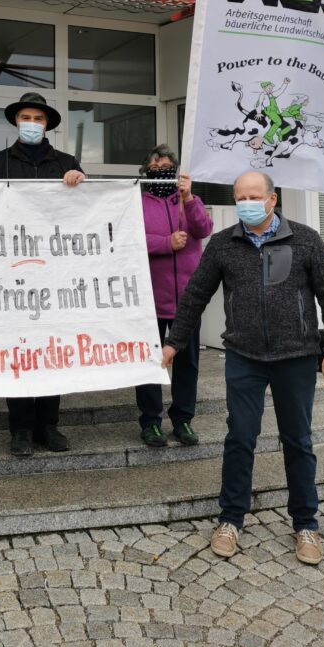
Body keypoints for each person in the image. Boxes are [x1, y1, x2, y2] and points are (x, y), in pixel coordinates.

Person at [162, 170, 324, 566]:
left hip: (295, 357)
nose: (245, 202)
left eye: (253, 195)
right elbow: (195, 296)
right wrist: (174, 342)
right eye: (239, 196)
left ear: (272, 199)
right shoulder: (222, 245)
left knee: (297, 440)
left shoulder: (305, 240)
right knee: (240, 438)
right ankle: (230, 519)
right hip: (244, 357)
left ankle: (306, 524)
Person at [0, 91, 85, 458]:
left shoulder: (65, 162)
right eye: (26, 118)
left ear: (48, 125)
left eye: (39, 119)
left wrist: (82, 178)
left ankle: (49, 425)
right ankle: (20, 429)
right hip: (11, 277)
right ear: (17, 122)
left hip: (54, 276)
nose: (32, 124)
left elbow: (88, 210)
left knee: (52, 350)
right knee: (18, 351)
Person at [135, 145, 213, 447]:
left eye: (166, 166)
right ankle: (150, 421)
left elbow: (203, 228)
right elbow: (128, 238)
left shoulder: (187, 199)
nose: (160, 171)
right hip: (150, 298)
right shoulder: (137, 202)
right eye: (154, 167)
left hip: (187, 299)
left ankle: (182, 419)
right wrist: (164, 243)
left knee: (187, 363)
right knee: (150, 362)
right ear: (146, 172)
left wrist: (190, 198)